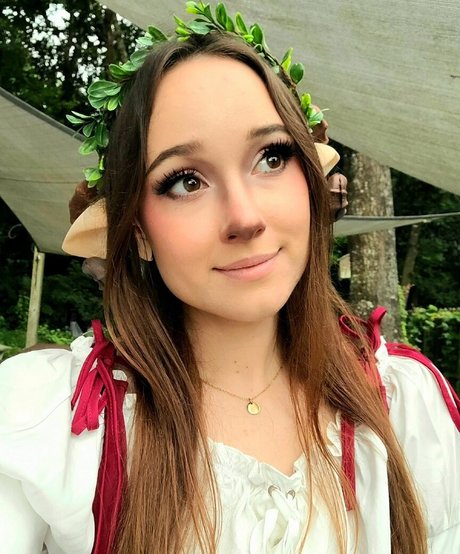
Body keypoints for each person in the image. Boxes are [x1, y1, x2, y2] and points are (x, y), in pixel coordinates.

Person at [0, 4, 459, 554]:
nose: (245, 217)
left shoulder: (404, 404)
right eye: (186, 181)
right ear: (138, 231)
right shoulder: (53, 427)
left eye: (272, 157)